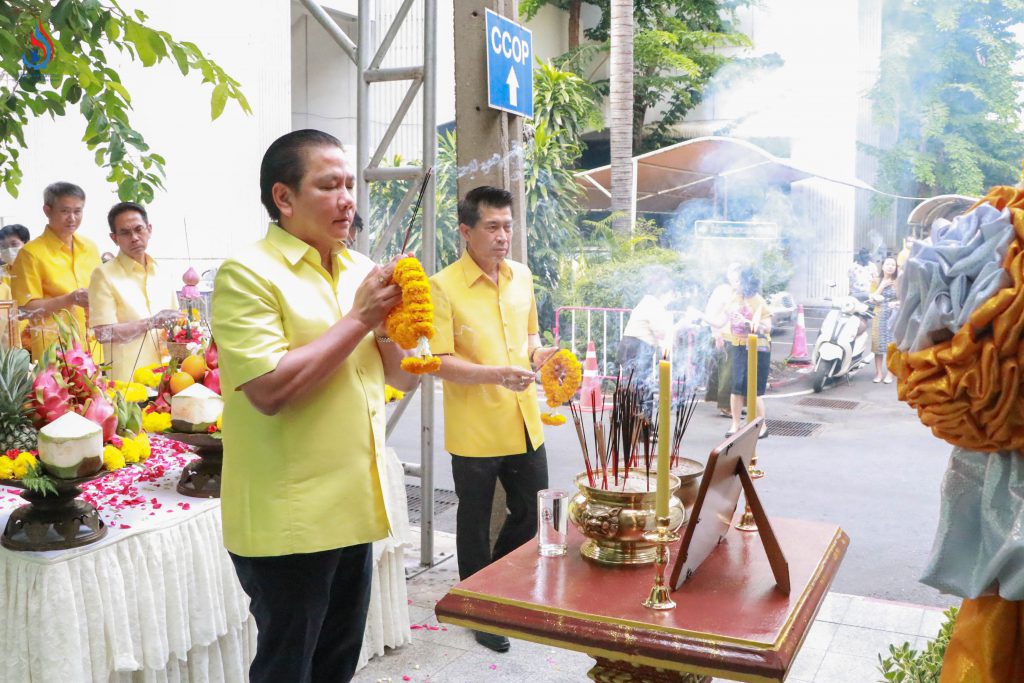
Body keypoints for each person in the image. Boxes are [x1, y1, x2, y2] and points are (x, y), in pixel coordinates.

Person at [210, 129, 416, 683]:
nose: (348, 198)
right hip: (291, 517)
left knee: (336, 660)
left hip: (352, 506)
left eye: (349, 183)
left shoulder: (358, 268)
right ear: (284, 198)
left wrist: (406, 326)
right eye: (329, 185)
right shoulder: (248, 273)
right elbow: (270, 391)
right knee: (287, 666)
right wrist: (360, 320)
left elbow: (397, 374)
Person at [430, 186, 557, 654]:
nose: (504, 236)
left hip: (524, 418)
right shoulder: (442, 286)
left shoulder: (521, 276)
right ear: (466, 231)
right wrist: (497, 374)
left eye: (508, 226)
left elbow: (531, 335)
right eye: (493, 227)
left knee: (532, 511)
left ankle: (493, 587)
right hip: (475, 425)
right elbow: (438, 360)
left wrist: (541, 354)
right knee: (474, 518)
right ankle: (477, 608)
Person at [87, 202, 180, 383]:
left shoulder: (163, 272)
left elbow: (175, 323)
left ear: (149, 229)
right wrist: (151, 323)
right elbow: (103, 333)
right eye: (125, 232)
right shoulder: (103, 275)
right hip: (128, 381)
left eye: (139, 229)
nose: (135, 237)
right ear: (114, 238)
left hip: (167, 377)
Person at [10, 182, 102, 361]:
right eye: (65, 211)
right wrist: (69, 299)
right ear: (47, 210)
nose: (72, 218)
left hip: (94, 349)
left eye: (78, 211)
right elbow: (23, 310)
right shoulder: (31, 253)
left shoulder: (90, 248)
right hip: (54, 353)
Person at [726, 267, 771, 439]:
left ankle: (762, 425)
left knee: (753, 389)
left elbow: (767, 327)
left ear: (747, 283)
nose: (735, 284)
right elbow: (722, 319)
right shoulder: (734, 299)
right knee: (736, 386)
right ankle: (735, 424)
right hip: (738, 346)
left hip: (758, 348)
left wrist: (748, 322)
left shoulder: (757, 301)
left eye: (738, 281)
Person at [617, 268, 675, 387]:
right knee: (642, 384)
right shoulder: (654, 303)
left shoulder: (647, 300)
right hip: (638, 348)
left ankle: (636, 405)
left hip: (630, 346)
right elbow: (660, 333)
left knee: (637, 384)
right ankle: (643, 406)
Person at [702, 262, 742, 418]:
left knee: (734, 372)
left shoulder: (739, 292)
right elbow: (711, 313)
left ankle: (734, 404)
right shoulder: (722, 291)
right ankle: (726, 405)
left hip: (737, 337)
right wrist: (716, 333)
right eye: (734, 274)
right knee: (727, 373)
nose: (737, 278)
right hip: (723, 336)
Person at [869, 256, 899, 384]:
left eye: (893, 264)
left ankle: (890, 374)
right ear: (883, 266)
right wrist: (882, 285)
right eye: (888, 264)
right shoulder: (876, 281)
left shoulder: (898, 281)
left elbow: (905, 298)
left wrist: (897, 303)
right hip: (879, 315)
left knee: (891, 346)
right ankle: (879, 373)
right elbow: (872, 299)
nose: (891, 266)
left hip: (894, 316)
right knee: (878, 345)